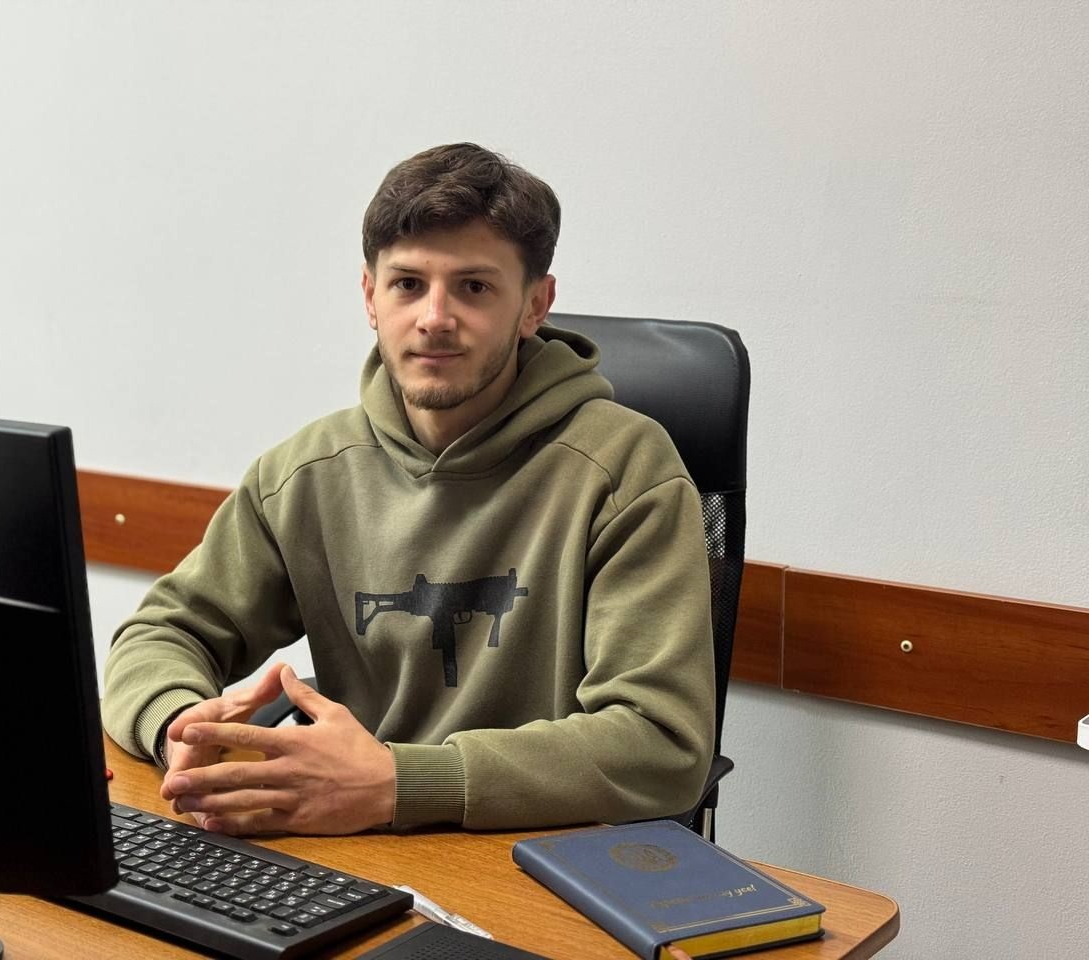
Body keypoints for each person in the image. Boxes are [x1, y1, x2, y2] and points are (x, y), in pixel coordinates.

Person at [102, 142, 716, 837]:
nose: (434, 317)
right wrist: (180, 725)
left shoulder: (623, 470)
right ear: (370, 296)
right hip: (352, 843)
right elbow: (163, 633)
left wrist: (403, 783)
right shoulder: (305, 474)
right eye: (407, 284)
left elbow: (660, 743)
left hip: (539, 853)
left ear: (534, 305)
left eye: (474, 287)